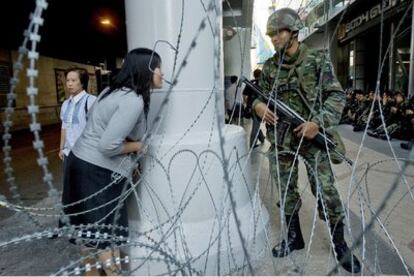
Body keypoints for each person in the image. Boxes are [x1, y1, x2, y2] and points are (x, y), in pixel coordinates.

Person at [253, 8, 361, 273]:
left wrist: (318, 123)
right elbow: (258, 95)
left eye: (279, 32)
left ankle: (339, 244)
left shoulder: (316, 61)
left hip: (312, 138)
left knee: (326, 191)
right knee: (286, 190)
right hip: (282, 140)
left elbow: (337, 97)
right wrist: (257, 106)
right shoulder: (270, 67)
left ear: (294, 32)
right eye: (271, 34)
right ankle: (294, 238)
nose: (274, 38)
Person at [61, 48, 163, 275]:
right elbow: (107, 146)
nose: (162, 73)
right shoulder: (132, 100)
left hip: (80, 163)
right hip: (94, 172)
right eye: (158, 68)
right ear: (146, 70)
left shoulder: (112, 91)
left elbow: (101, 126)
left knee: (89, 236)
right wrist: (139, 147)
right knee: (103, 237)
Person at [59, 67, 96, 161]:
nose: (69, 84)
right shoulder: (65, 104)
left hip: (87, 154)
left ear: (82, 82)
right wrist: (61, 149)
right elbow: (64, 128)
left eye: (73, 80)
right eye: (67, 80)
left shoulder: (92, 101)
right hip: (68, 153)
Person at [243, 69, 266, 148]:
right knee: (256, 126)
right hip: (258, 107)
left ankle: (262, 138)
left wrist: (248, 105)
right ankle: (252, 144)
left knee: (257, 123)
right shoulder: (262, 84)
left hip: (250, 107)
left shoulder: (250, 83)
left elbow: (245, 96)